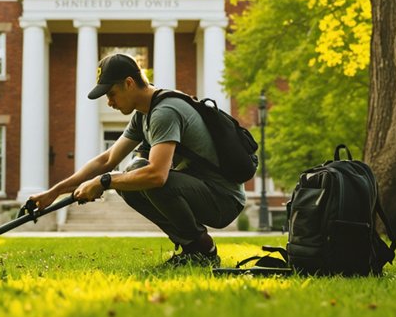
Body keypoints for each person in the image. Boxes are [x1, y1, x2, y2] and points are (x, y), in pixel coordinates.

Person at [29, 53, 246, 267]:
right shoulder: (144, 114)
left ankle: (201, 250)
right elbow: (107, 159)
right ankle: (193, 248)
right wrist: (55, 192)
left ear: (129, 83)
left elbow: (157, 176)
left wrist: (105, 181)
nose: (109, 102)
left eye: (111, 94)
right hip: (203, 190)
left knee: (141, 174)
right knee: (133, 172)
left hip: (223, 198)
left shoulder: (164, 111)